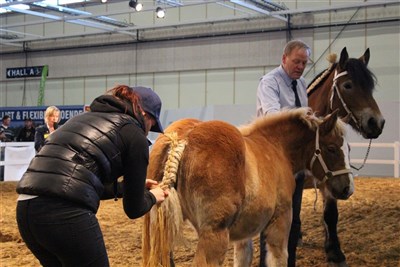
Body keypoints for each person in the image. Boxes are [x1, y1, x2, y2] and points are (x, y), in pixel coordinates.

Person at [16, 85, 169, 267]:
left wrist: (127, 188)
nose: (149, 129)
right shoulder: (134, 134)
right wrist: (153, 196)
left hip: (26, 208)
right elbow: (133, 209)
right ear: (144, 114)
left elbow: (81, 181)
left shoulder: (81, 119)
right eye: (152, 123)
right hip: (63, 212)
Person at [256, 39, 311, 267]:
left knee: (293, 221)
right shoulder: (269, 82)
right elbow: (273, 118)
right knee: (269, 221)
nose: (300, 66)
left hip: (293, 165)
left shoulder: (302, 84)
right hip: (271, 162)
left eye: (304, 63)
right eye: (296, 61)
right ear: (284, 59)